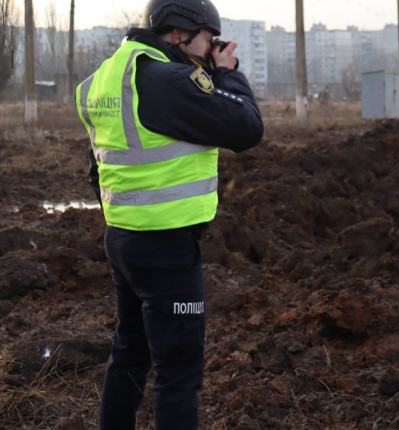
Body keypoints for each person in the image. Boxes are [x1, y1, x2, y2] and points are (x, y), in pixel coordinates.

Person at [74, 0, 263, 428]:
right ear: (177, 34)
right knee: (178, 374)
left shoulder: (107, 77)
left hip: (124, 238)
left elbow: (99, 165)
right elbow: (248, 127)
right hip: (166, 247)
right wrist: (229, 72)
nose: (209, 50)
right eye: (206, 40)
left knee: (130, 354)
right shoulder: (170, 80)